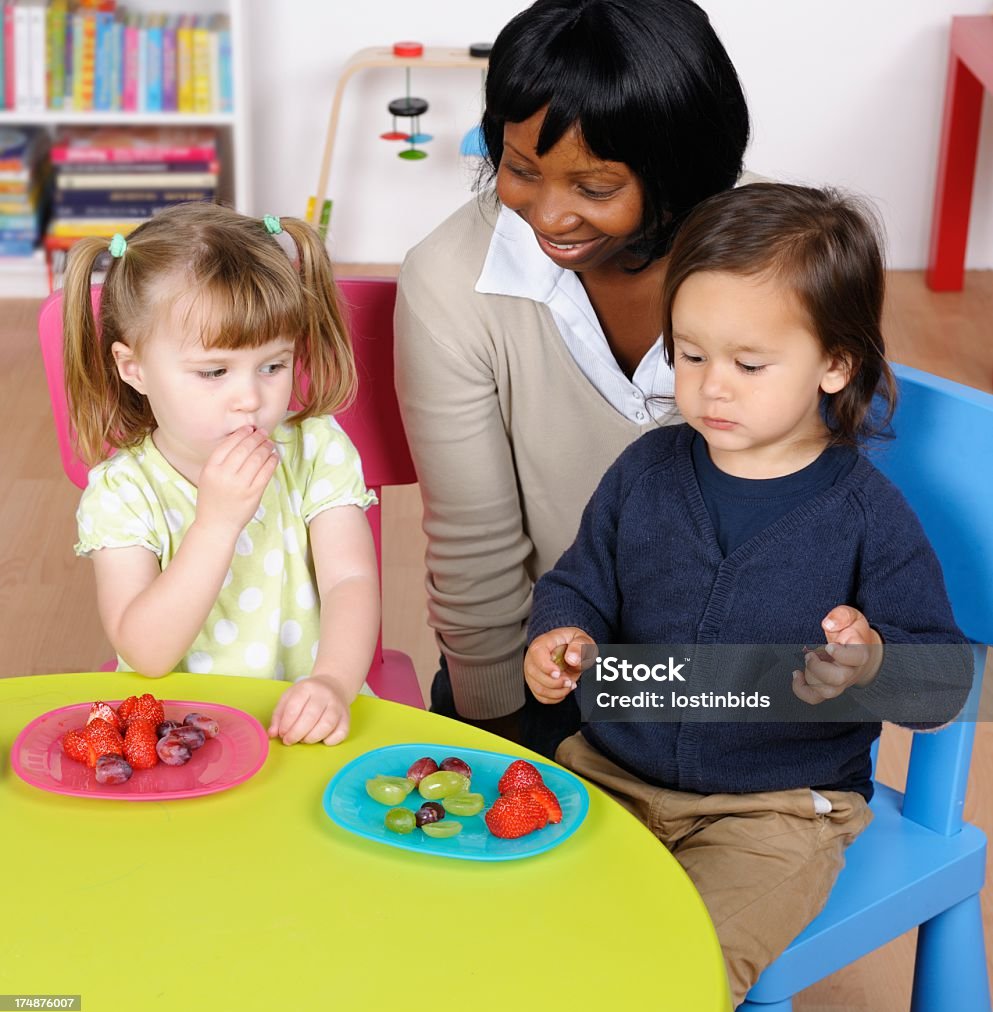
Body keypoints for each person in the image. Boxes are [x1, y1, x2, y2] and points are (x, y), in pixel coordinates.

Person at [524, 182, 972, 1005]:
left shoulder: (866, 517)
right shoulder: (645, 473)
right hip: (609, 774)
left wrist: (871, 665)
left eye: (748, 363)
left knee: (683, 964)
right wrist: (561, 636)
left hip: (774, 814)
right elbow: (578, 584)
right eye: (689, 355)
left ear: (835, 363)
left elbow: (943, 682)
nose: (711, 386)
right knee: (515, 925)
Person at [395, 0, 750, 751]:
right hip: (545, 666)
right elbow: (472, 542)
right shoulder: (448, 278)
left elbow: (813, 508)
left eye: (593, 189)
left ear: (677, 173)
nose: (547, 215)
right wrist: (497, 740)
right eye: (520, 170)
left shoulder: (775, 273)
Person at [63, 203, 380, 746]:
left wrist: (331, 680)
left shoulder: (315, 448)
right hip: (175, 738)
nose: (251, 399)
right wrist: (216, 524)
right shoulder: (122, 493)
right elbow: (146, 650)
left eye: (273, 365)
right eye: (214, 371)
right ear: (133, 367)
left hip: (304, 719)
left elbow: (348, 580)